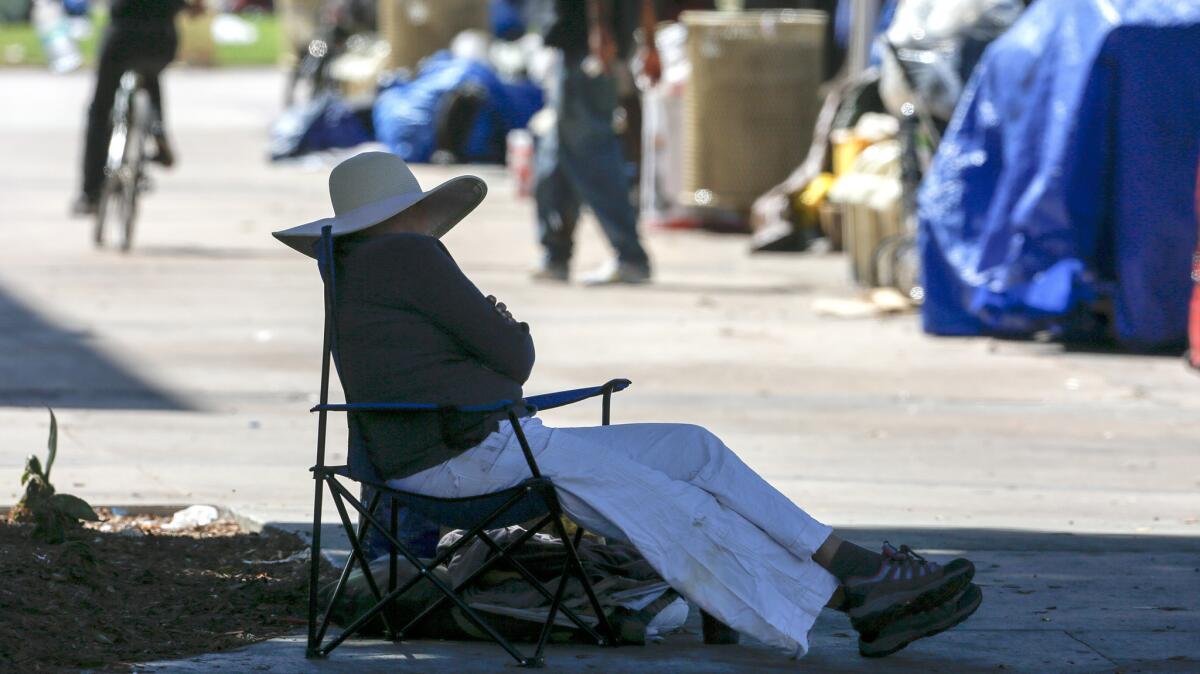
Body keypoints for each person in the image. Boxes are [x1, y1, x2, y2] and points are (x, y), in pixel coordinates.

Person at [273, 152, 983, 659]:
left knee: (689, 448)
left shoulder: (359, 271)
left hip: (460, 451)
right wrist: (502, 327)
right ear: (409, 213)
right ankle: (849, 593)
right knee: (672, 499)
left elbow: (479, 364)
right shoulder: (412, 258)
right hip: (471, 460)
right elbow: (514, 356)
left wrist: (489, 349)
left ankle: (852, 566)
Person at [533, 0, 652, 284]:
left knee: (592, 155)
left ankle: (630, 255)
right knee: (556, 157)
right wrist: (649, 41)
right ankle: (556, 254)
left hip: (585, 48)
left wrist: (599, 28)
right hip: (582, 45)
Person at [72, 0, 201, 216]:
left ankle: (91, 193)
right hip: (162, 39)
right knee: (150, 75)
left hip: (122, 36)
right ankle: (158, 129)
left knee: (100, 109)